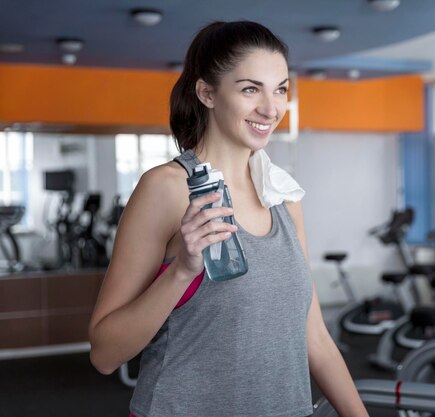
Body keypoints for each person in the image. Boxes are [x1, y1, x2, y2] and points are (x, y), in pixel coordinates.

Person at [88, 20, 369, 417]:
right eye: (250, 89)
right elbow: (104, 352)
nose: (271, 109)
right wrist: (181, 271)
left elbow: (315, 338)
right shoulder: (167, 189)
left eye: (281, 89)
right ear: (207, 93)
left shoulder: (284, 197)